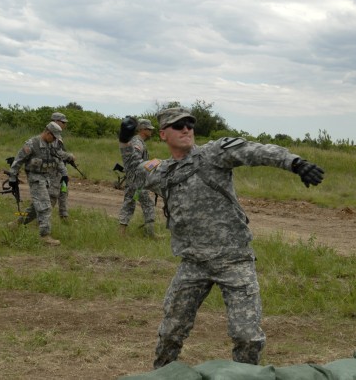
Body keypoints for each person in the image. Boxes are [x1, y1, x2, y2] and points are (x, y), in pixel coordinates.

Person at [119, 108, 324, 369]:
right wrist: (125, 141)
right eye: (178, 125)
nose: (186, 129)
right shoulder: (164, 171)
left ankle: (246, 376)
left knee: (247, 337)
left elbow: (254, 151)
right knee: (171, 332)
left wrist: (295, 163)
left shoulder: (213, 154)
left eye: (190, 125)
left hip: (233, 260)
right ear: (162, 135)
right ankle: (162, 375)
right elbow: (135, 175)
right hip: (193, 263)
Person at [7, 122, 67, 246]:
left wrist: (65, 170)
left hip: (47, 178)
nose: (54, 139)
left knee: (35, 208)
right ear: (47, 132)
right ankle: (45, 236)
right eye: (53, 136)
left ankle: (15, 225)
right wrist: (12, 178)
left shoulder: (51, 145)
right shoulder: (32, 144)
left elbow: (58, 158)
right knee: (45, 205)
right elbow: (18, 161)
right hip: (35, 178)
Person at [118, 118, 157, 237]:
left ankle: (121, 233)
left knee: (129, 203)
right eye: (149, 129)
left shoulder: (137, 141)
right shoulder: (137, 143)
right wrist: (153, 164)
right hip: (137, 179)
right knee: (148, 204)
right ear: (142, 129)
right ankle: (150, 234)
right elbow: (136, 162)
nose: (151, 131)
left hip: (133, 178)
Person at [48, 112, 75, 221]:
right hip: (54, 170)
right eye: (63, 122)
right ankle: (44, 218)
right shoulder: (52, 135)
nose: (65, 125)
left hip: (61, 170)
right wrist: (69, 156)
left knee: (63, 192)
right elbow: (56, 152)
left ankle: (64, 216)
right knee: (53, 195)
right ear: (56, 121)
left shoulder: (58, 136)